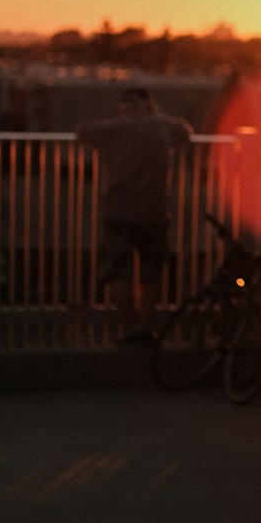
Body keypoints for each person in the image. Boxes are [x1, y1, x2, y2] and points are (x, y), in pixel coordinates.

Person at [76, 86, 192, 344]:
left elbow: (83, 130)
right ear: (149, 104)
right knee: (151, 272)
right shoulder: (165, 126)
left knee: (120, 272)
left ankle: (129, 327)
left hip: (118, 210)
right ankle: (146, 325)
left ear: (125, 106)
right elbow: (186, 132)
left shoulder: (113, 128)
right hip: (154, 211)